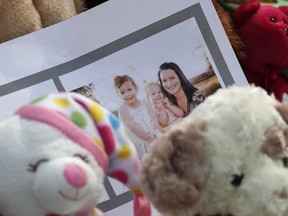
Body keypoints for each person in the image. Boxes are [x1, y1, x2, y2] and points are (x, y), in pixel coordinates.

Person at [113, 75, 159, 159]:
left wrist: (159, 132)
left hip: (153, 136)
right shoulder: (123, 109)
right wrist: (149, 139)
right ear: (119, 95)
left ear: (136, 88)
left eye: (129, 89)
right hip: (139, 143)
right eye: (122, 92)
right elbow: (133, 128)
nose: (127, 94)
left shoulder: (144, 102)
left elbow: (154, 117)